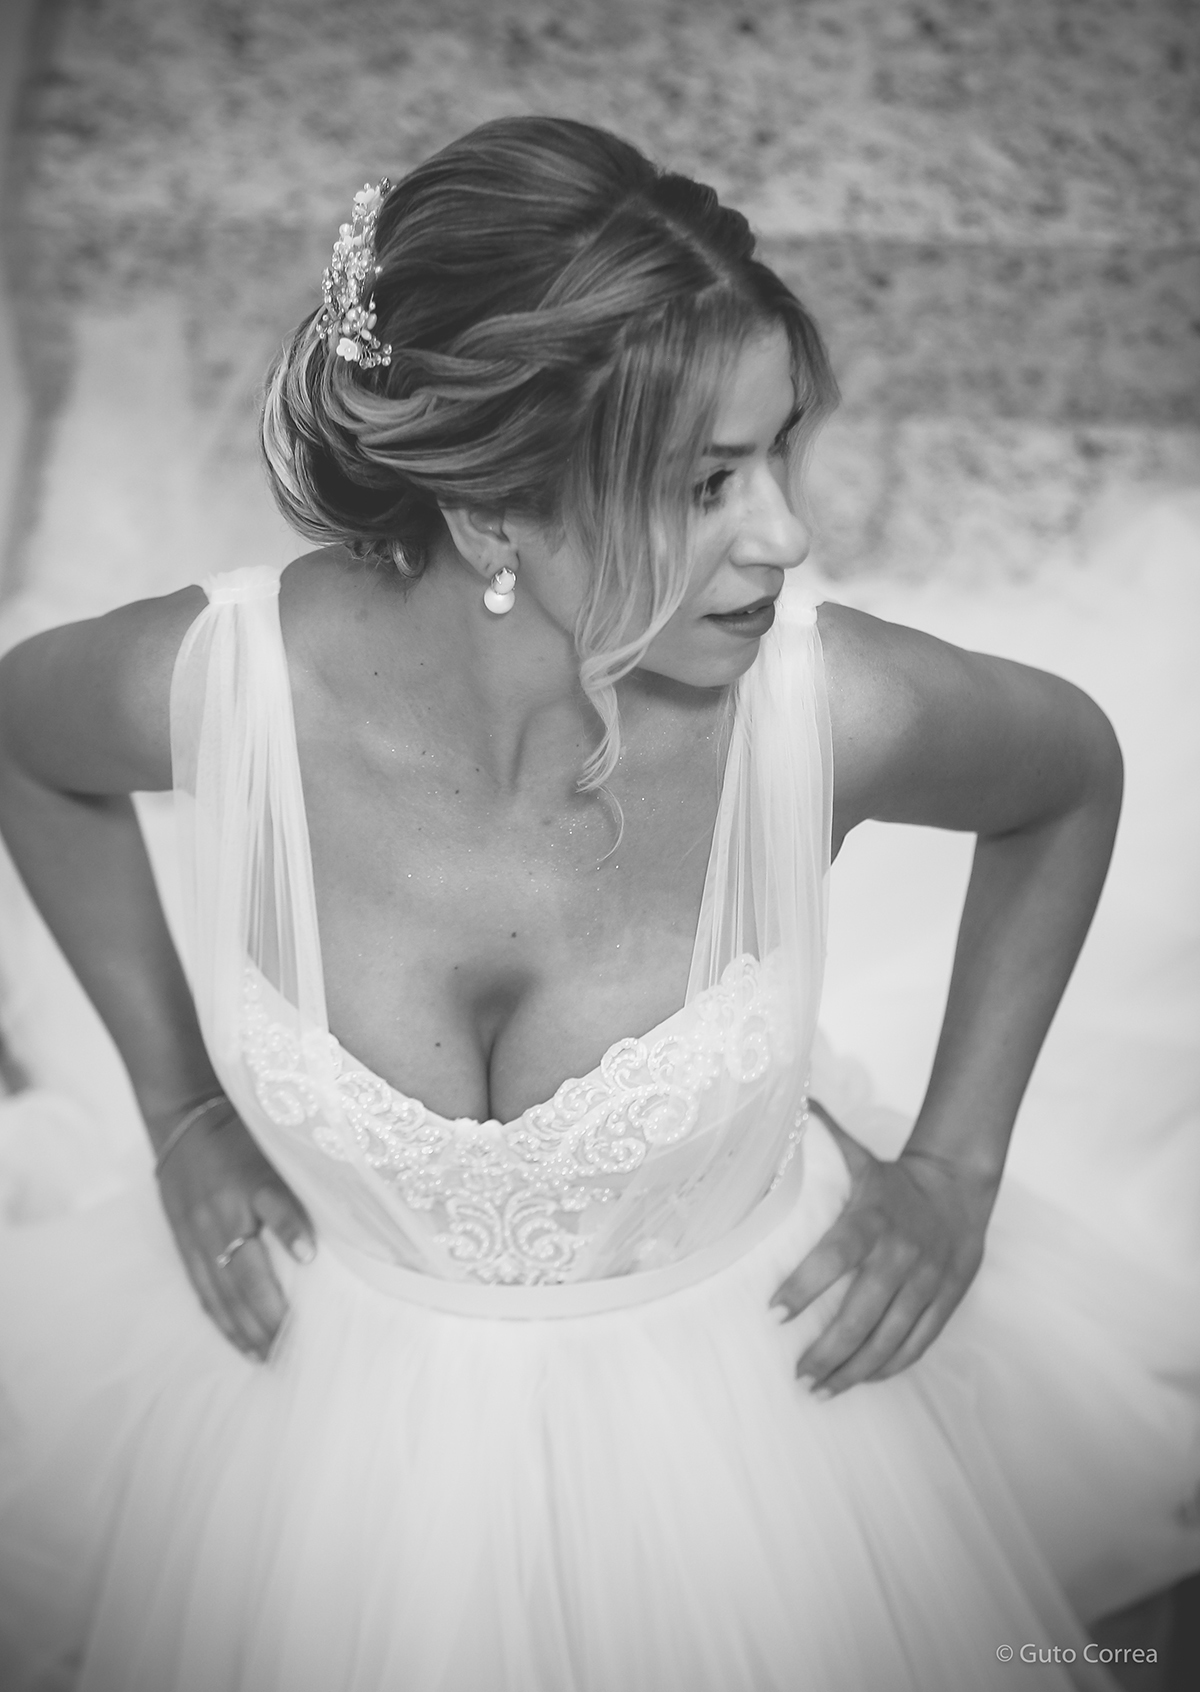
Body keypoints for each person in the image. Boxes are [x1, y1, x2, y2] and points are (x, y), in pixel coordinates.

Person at [0, 116, 1195, 1692]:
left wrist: (958, 1167)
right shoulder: (224, 686)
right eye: (707, 484)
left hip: (757, 1463)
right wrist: (177, 1111)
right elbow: (26, 746)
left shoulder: (830, 709)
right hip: (321, 1471)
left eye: (778, 454)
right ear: (495, 513)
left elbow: (1070, 777)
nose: (787, 534)